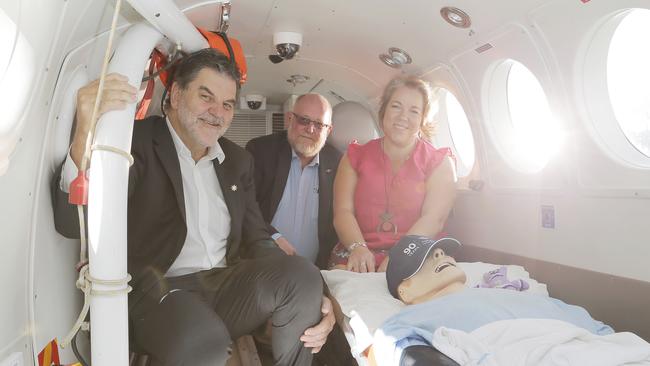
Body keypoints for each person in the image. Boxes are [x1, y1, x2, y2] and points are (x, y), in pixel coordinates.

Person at [51, 49, 333, 366]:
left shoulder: (238, 161)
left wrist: (310, 299)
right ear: (174, 94)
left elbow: (258, 238)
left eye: (227, 105)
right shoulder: (134, 142)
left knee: (304, 276)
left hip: (224, 288)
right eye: (206, 96)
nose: (217, 112)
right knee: (203, 341)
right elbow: (71, 223)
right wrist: (84, 132)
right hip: (156, 292)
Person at [376, 235, 616, 366]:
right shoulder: (407, 322)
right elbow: (406, 355)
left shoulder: (524, 297)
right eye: (425, 258)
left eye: (441, 251)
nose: (440, 254)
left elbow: (605, 336)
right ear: (405, 290)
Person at [329, 75, 457, 273]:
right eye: (396, 106)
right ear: (384, 111)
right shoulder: (353, 157)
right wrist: (358, 248)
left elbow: (434, 219)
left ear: (423, 119)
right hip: (360, 251)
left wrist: (399, 256)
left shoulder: (440, 162)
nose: (403, 116)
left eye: (414, 111)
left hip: (418, 251)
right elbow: (342, 212)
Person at [245, 94, 341, 269]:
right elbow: (246, 207)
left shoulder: (338, 164)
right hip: (261, 266)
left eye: (319, 124)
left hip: (314, 273)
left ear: (328, 131)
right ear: (290, 119)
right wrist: (273, 237)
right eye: (304, 120)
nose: (310, 129)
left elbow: (340, 221)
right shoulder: (261, 151)